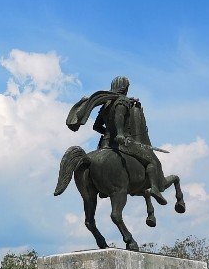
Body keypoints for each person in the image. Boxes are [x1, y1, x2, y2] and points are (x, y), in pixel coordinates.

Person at [68, 76, 168, 204]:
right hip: (122, 143)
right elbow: (119, 116)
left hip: (104, 144)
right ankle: (154, 188)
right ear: (125, 88)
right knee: (150, 161)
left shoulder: (106, 104)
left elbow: (96, 126)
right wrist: (120, 133)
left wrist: (108, 133)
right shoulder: (122, 101)